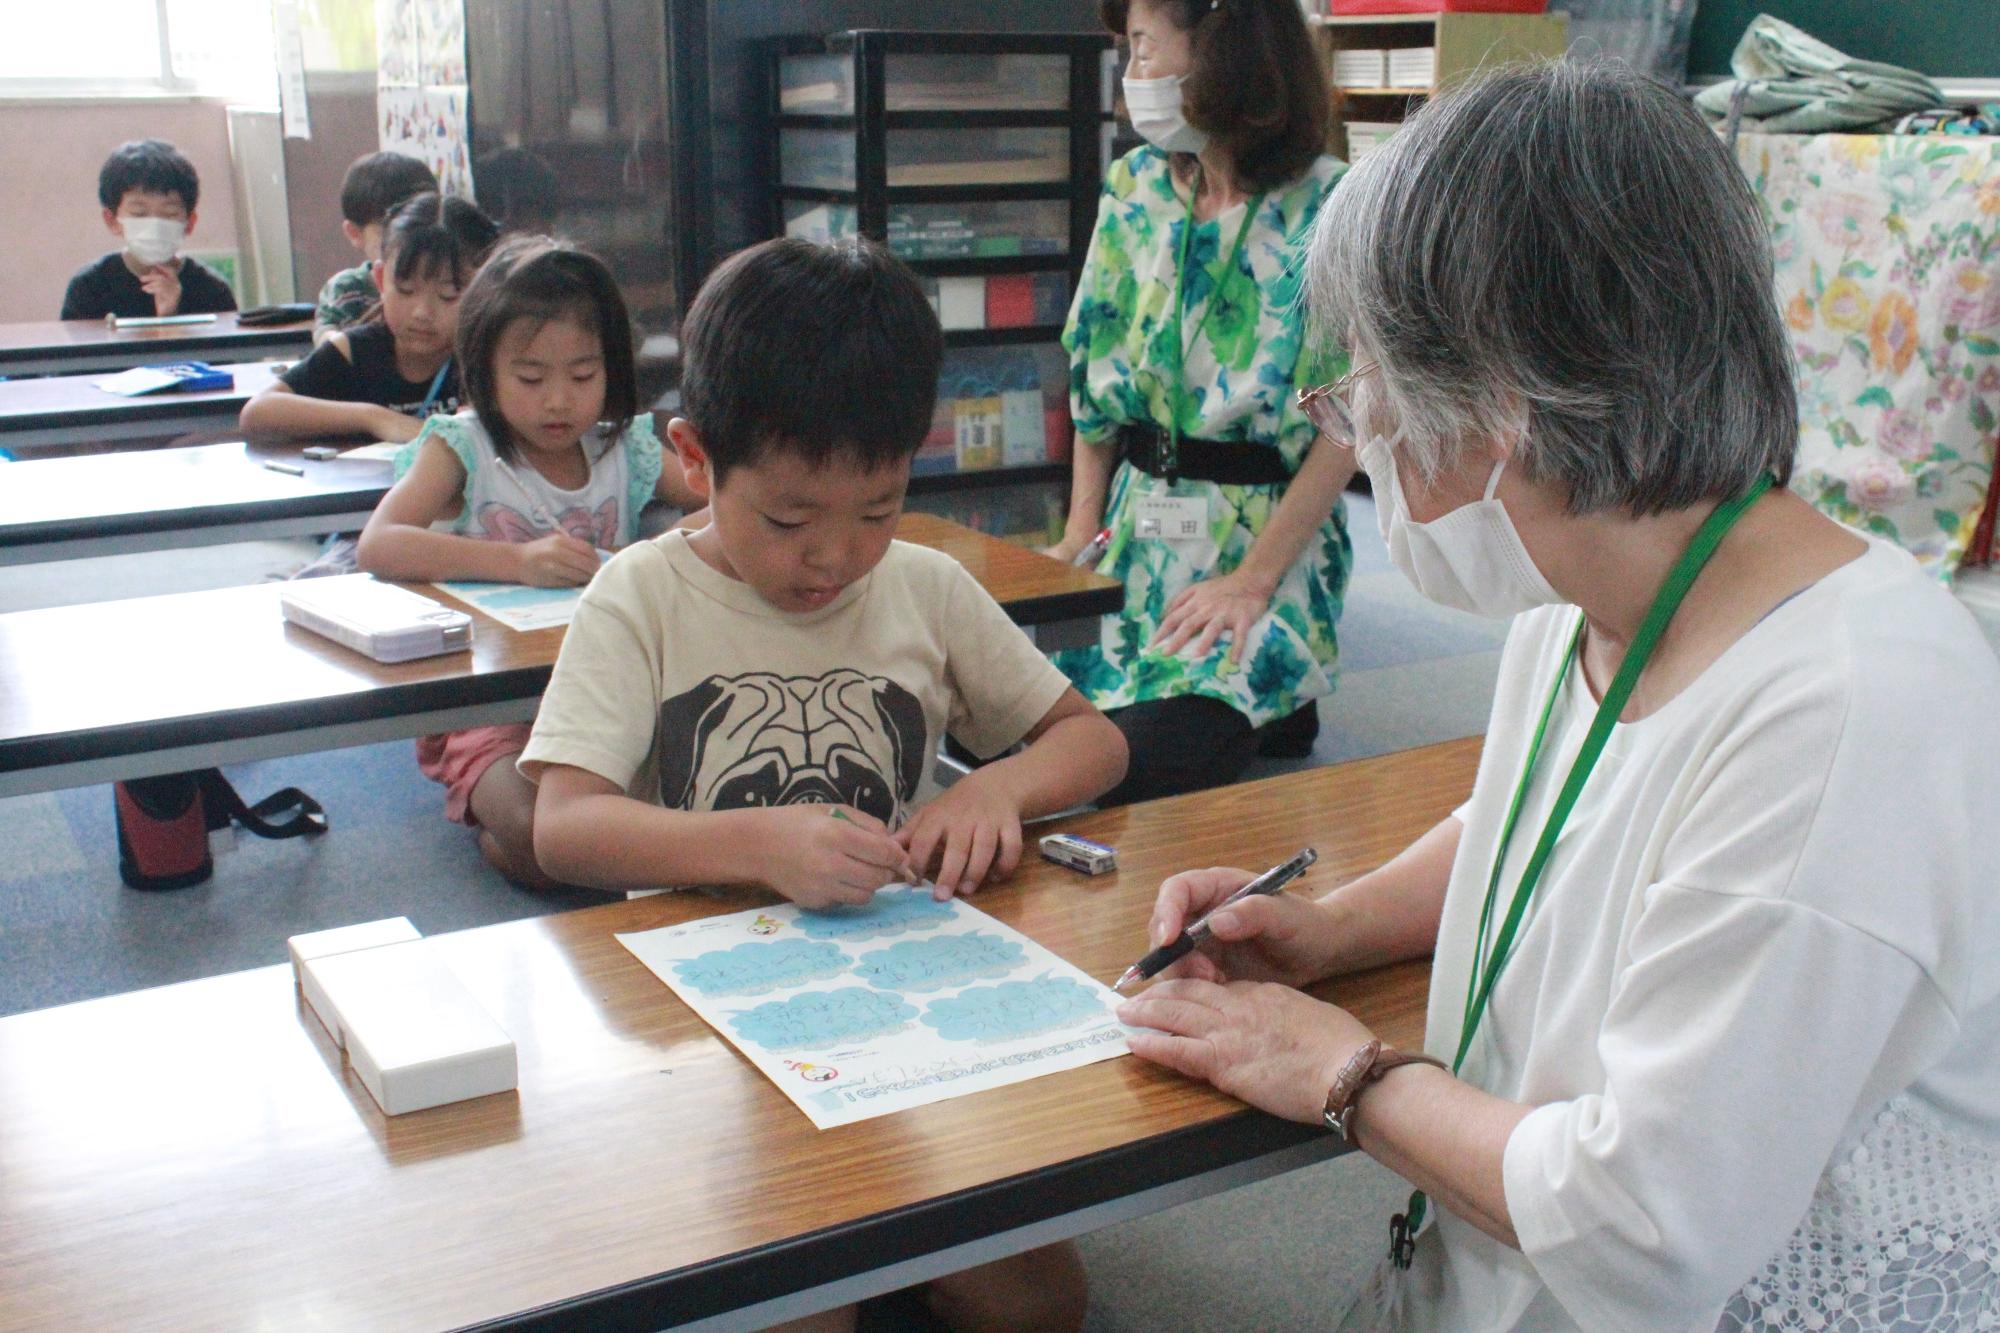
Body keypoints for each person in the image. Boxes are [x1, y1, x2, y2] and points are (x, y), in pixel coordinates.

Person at [1113, 62, 2000, 1331]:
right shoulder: (1588, 601)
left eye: (1364, 397)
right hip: (1494, 1262)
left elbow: (1648, 1226)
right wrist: (1335, 926)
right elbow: (1539, 821)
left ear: (1500, 405)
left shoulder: (1854, 715)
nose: (1359, 438)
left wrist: (1344, 1074)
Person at [523, 238, 1125, 1331]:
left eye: (879, 508)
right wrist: (757, 843)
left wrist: (995, 790)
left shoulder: (924, 584)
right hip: (705, 1020)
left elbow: (1090, 742)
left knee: (1037, 1306)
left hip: (903, 999)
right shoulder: (639, 597)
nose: (834, 558)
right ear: (696, 457)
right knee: (805, 1309)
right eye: (790, 520)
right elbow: (565, 825)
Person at [1045, 0, 1357, 806]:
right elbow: (1091, 383)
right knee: (1004, 712)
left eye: (1145, 47)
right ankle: (1271, 705)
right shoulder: (1136, 187)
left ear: (1220, 57)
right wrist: (1080, 535)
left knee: (1136, 760)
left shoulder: (1334, 206)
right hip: (1135, 525)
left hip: (1261, 534)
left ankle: (1272, 685)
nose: (1131, 74)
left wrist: (1253, 582)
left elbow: (1350, 425)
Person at [357, 236, 692, 890]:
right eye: (532, 378)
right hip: (493, 708)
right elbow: (381, 542)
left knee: (641, 829)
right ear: (485, 367)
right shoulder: (466, 446)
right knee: (549, 844)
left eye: (584, 375)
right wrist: (518, 560)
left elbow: (729, 504)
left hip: (604, 696)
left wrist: (642, 560)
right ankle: (493, 829)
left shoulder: (624, 448)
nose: (559, 401)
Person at [240, 193, 498, 444]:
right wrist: (373, 418)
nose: (422, 312)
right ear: (380, 280)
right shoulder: (355, 351)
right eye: (405, 289)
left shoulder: (486, 359)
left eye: (448, 295)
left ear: (481, 290)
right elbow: (257, 413)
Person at [61, 139, 237, 320]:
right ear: (112, 220)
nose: (155, 226)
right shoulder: (89, 288)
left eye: (169, 214)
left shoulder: (212, 290)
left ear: (189, 223)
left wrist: (170, 317)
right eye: (139, 213)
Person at [315, 151, 439, 343]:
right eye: (386, 229)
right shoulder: (347, 290)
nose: (403, 241)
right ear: (355, 233)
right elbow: (325, 339)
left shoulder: (444, 280)